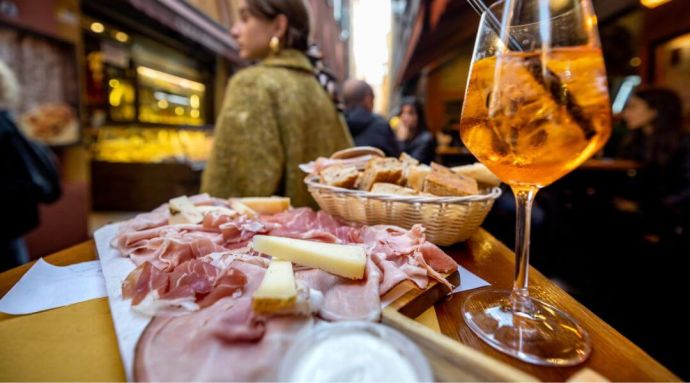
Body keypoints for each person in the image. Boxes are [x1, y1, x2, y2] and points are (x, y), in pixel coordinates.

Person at [201, 0, 353, 207]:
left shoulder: (253, 84)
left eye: (245, 18)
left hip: (266, 239)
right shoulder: (322, 89)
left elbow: (225, 202)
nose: (234, 30)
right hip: (328, 236)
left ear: (279, 26)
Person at [0, 60, 61, 270]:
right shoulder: (6, 124)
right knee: (14, 282)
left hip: (7, 226)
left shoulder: (6, 124)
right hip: (8, 226)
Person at [618, 87, 690, 247]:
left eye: (633, 107)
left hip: (670, 226)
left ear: (655, 111)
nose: (625, 114)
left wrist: (644, 207)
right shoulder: (636, 143)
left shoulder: (683, 144)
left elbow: (685, 191)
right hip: (637, 221)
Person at [342, 79, 400, 157]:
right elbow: (397, 160)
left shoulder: (336, 124)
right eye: (373, 98)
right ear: (368, 98)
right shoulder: (381, 126)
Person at [395, 96, 436, 164]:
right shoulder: (404, 134)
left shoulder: (426, 139)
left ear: (419, 116)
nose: (405, 117)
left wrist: (401, 141)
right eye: (402, 112)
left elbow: (411, 165)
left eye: (410, 113)